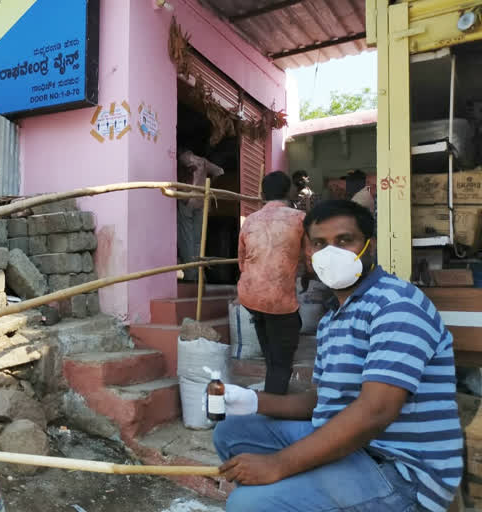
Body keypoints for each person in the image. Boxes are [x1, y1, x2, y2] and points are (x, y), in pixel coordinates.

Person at [214, 200, 462, 512]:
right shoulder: (334, 317)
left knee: (246, 505)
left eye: (344, 240)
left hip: (401, 470)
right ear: (308, 252)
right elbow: (322, 401)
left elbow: (376, 411)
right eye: (319, 243)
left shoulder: (396, 305)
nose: (330, 252)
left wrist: (278, 464)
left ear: (368, 247)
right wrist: (252, 401)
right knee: (232, 431)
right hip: (354, 449)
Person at [237, 171, 306, 394]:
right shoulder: (299, 218)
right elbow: (312, 259)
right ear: (288, 191)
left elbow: (242, 262)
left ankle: (272, 387)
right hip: (279, 300)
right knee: (281, 360)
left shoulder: (250, 220)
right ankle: (273, 409)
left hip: (250, 296)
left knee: (271, 349)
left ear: (263, 193)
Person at [176, 148, 224, 281]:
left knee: (187, 238)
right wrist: (209, 182)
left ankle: (191, 275)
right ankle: (199, 274)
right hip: (202, 200)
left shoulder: (183, 158)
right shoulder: (203, 161)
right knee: (198, 239)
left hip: (186, 198)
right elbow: (220, 171)